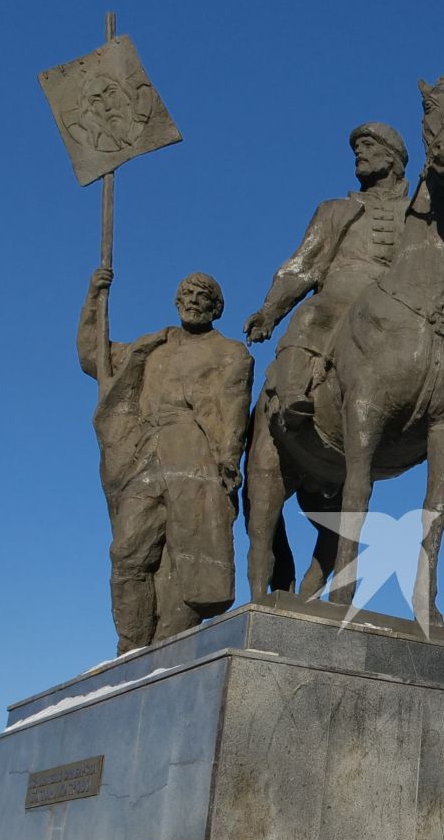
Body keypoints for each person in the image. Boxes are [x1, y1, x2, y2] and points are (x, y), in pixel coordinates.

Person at [77, 267, 253, 653]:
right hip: (143, 456)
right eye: (187, 294)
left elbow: (234, 408)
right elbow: (93, 356)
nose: (193, 301)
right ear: (176, 302)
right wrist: (94, 297)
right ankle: (131, 648)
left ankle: (165, 647)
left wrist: (228, 458)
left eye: (202, 297)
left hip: (194, 455)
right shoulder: (151, 347)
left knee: (186, 562)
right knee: (126, 552)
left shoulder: (230, 354)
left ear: (216, 308)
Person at [243, 121, 409, 420]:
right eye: (357, 148)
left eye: (369, 146)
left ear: (391, 158)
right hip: (343, 290)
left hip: (401, 294)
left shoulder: (419, 212)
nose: (359, 152)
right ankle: (293, 394)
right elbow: (302, 266)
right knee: (310, 315)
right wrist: (269, 312)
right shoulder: (334, 209)